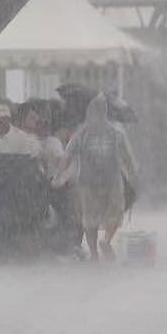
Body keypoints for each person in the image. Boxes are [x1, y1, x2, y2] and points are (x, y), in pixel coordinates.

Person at [57, 94, 138, 262]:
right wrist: (132, 175)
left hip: (89, 182)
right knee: (114, 214)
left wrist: (59, 174)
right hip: (109, 181)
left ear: (90, 114)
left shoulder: (81, 134)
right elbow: (128, 157)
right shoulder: (116, 133)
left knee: (89, 219)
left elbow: (67, 156)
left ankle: (94, 253)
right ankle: (106, 240)